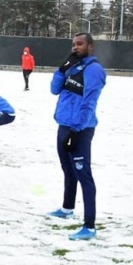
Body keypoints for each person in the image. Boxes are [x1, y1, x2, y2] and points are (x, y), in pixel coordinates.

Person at [48, 33, 107, 241]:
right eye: (73, 44)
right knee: (68, 169)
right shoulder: (72, 66)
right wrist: (62, 69)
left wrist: (76, 129)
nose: (75, 47)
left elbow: (89, 103)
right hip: (64, 125)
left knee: (84, 175)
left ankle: (89, 226)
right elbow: (54, 90)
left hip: (80, 130)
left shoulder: (94, 70)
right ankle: (67, 208)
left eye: (80, 44)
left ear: (91, 47)